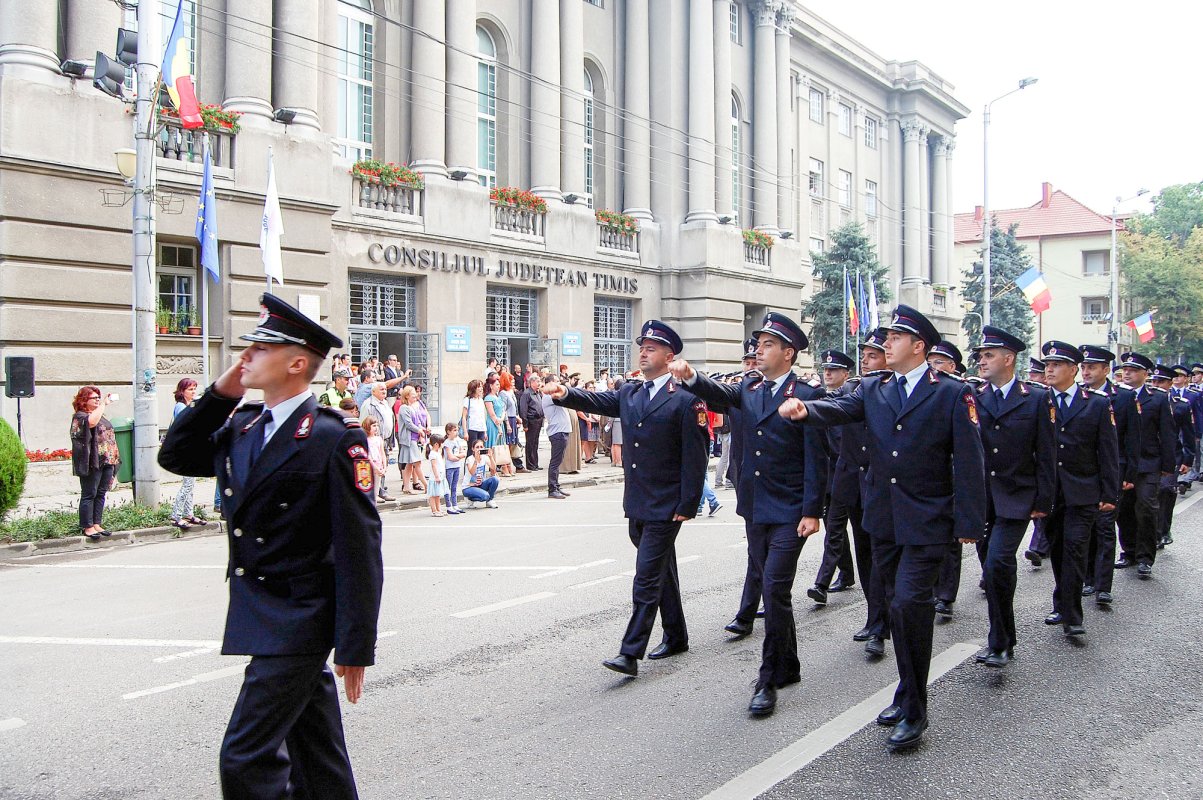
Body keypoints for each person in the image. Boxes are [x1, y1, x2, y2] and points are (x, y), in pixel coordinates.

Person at [158, 293, 383, 800]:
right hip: (260, 611)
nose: (247, 356)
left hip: (302, 618)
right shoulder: (243, 426)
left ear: (297, 363)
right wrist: (222, 392)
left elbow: (360, 546)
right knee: (316, 754)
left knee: (245, 756)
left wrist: (355, 644)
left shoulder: (332, 437)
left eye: (261, 348)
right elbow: (177, 455)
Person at [779, 305, 985, 749]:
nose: (886, 344)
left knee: (911, 604)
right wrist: (805, 409)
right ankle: (906, 690)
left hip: (928, 518)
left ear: (919, 346)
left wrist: (969, 521)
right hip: (884, 516)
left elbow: (970, 460)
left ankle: (916, 709)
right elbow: (839, 407)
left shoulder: (951, 393)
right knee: (895, 606)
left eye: (895, 338)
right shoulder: (874, 387)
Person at [672, 312, 829, 717]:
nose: (759, 351)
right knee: (775, 590)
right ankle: (789, 663)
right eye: (758, 344)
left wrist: (813, 510)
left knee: (773, 588)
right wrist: (691, 376)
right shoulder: (750, 387)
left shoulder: (807, 395)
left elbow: (817, 459)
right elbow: (718, 392)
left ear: (789, 353)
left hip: (791, 509)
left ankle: (767, 680)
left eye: (768, 345)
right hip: (756, 507)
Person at [546, 320, 709, 677]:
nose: (643, 353)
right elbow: (596, 400)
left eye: (651, 348)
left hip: (667, 503)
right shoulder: (631, 393)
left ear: (669, 356)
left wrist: (688, 503)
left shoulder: (686, 400)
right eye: (642, 348)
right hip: (637, 500)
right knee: (662, 569)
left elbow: (696, 456)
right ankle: (677, 635)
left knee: (646, 578)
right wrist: (565, 393)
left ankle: (630, 652)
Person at [968, 327, 1056, 668]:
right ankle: (1004, 636)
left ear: (1009, 359)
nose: (982, 361)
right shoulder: (973, 396)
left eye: (989, 355)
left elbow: (1046, 453)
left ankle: (1000, 642)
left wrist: (1044, 501)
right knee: (993, 570)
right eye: (980, 356)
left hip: (1017, 496)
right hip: (981, 498)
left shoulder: (1034, 398)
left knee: (998, 562)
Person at [1039, 341, 1119, 638]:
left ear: (1073, 370)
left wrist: (1109, 494)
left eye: (1056, 365)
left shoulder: (1096, 403)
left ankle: (1072, 615)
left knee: (1075, 548)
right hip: (1050, 492)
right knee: (1057, 549)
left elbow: (1107, 451)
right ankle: (1061, 603)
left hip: (1083, 491)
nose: (1049, 370)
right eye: (1047, 365)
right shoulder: (1038, 400)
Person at [1077, 344, 1137, 606]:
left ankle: (1103, 585)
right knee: (1088, 528)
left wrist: (1129, 473)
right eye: (1083, 367)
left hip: (1114, 470)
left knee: (1105, 527)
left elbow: (1132, 438)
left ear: (1105, 369)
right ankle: (1089, 577)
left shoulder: (1123, 397)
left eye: (1091, 367)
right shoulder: (1078, 395)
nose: (1086, 372)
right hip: (1086, 473)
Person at [1115, 351, 1175, 577]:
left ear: (1145, 374)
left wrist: (1168, 466)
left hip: (1148, 462)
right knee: (1124, 510)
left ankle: (1145, 557)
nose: (1127, 374)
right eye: (1125, 370)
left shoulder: (1157, 398)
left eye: (1133, 370)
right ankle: (1129, 551)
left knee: (1146, 508)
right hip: (1123, 463)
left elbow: (1167, 433)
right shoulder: (1116, 396)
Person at [807, 349, 858, 607]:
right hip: (826, 476)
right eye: (825, 369)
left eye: (834, 370)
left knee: (835, 530)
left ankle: (821, 584)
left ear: (845, 374)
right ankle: (846, 573)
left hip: (846, 475)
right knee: (833, 528)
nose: (827, 373)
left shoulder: (853, 398)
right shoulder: (820, 398)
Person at [1150, 364, 1195, 547]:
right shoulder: (1143, 402)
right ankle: (1149, 533)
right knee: (1148, 496)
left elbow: (1188, 434)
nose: (1156, 385)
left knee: (1165, 490)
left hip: (1172, 454)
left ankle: (1162, 531)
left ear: (1170, 383)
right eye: (1154, 381)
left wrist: (1188, 459)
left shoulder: (1180, 405)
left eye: (1160, 381)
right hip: (1149, 454)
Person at [70, 385, 121, 541]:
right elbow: (91, 423)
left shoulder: (100, 414)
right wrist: (103, 404)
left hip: (107, 460)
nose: (98, 400)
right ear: (84, 400)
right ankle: (87, 526)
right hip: (92, 461)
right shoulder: (80, 416)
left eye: (99, 397)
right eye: (95, 398)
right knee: (89, 493)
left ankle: (96, 523)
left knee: (100, 493)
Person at [169, 379, 205, 531]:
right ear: (182, 392)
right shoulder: (180, 406)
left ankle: (188, 513)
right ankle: (176, 516)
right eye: (190, 389)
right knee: (187, 485)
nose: (193, 392)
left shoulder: (189, 405)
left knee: (191, 484)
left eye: (194, 388)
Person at [360, 382, 397, 502]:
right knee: (373, 470)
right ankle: (374, 494)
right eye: (381, 389)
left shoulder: (385, 403)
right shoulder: (368, 404)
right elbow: (363, 423)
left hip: (384, 439)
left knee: (382, 466)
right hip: (371, 441)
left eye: (385, 389)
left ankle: (381, 491)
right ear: (373, 392)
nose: (384, 391)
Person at [541, 374, 572, 498]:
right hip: (557, 432)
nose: (559, 383)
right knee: (555, 461)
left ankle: (556, 486)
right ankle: (552, 489)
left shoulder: (552, 396)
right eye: (556, 381)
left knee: (558, 461)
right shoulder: (548, 397)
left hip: (561, 431)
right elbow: (563, 396)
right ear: (550, 384)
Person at [396, 386, 428, 495]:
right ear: (407, 396)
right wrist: (419, 430)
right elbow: (408, 424)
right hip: (409, 439)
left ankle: (406, 487)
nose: (415, 395)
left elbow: (417, 422)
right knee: (417, 463)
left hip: (413, 439)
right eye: (413, 393)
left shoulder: (412, 407)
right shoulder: (404, 408)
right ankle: (426, 485)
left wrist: (422, 429)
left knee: (409, 464)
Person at [499, 371, 525, 472]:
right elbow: (504, 409)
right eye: (511, 380)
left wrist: (517, 417)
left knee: (513, 443)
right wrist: (507, 424)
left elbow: (514, 407)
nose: (513, 382)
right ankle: (505, 465)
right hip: (508, 419)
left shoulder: (511, 392)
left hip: (513, 418)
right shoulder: (503, 393)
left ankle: (511, 465)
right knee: (508, 443)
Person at [462, 440, 500, 508]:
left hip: (480, 485)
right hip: (468, 487)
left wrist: (491, 457)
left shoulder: (484, 457)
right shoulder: (469, 459)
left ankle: (489, 500)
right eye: (477, 447)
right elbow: (472, 472)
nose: (479, 449)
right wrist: (476, 460)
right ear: (473, 449)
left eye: (481, 447)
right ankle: (469, 499)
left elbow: (493, 468)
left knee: (495, 479)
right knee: (485, 496)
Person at [520, 373, 545, 470]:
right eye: (537, 381)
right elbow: (523, 410)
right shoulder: (527, 393)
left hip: (538, 420)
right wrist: (525, 424)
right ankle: (530, 464)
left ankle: (535, 463)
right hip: (531, 420)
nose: (539, 383)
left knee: (535, 443)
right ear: (532, 382)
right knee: (530, 443)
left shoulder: (537, 393)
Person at [362, 415, 386, 507]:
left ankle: (375, 503)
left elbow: (382, 453)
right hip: (370, 465)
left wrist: (384, 466)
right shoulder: (365, 440)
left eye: (377, 426)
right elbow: (367, 455)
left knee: (376, 486)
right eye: (373, 426)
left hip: (378, 465)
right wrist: (374, 466)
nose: (376, 428)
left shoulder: (378, 439)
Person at [443, 423, 467, 515]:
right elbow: (450, 457)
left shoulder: (457, 441)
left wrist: (457, 456)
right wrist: (458, 457)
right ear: (448, 432)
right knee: (448, 487)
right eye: (454, 430)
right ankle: (449, 506)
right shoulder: (447, 443)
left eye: (457, 430)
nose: (456, 432)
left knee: (454, 487)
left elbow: (463, 452)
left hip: (457, 466)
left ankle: (455, 504)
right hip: (450, 467)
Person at [461, 379, 488, 452]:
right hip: (472, 428)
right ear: (473, 388)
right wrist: (465, 432)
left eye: (481, 386)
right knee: (472, 450)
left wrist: (485, 431)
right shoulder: (468, 400)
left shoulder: (481, 400)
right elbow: (464, 416)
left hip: (481, 428)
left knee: (481, 450)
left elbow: (482, 416)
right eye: (479, 387)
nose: (481, 388)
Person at [578, 380, 601, 463]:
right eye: (590, 387)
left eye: (593, 387)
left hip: (594, 420)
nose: (592, 389)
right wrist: (589, 418)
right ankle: (586, 457)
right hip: (586, 419)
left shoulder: (594, 396)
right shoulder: (584, 397)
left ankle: (591, 456)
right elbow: (581, 410)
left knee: (593, 439)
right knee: (586, 440)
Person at [426, 433, 447, 517]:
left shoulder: (437, 453)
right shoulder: (433, 454)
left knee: (437, 494)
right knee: (433, 495)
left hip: (439, 476)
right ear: (436, 444)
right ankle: (434, 510)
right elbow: (434, 466)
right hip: (435, 477)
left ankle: (438, 509)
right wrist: (437, 476)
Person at [609, 376, 626, 467]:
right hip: (617, 420)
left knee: (615, 442)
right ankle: (618, 461)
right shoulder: (619, 396)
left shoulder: (615, 394)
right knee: (618, 442)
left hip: (615, 420)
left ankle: (615, 460)